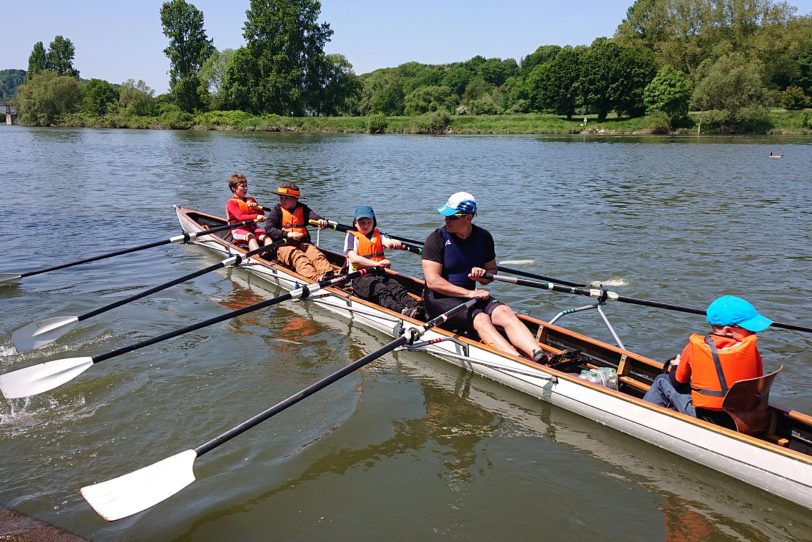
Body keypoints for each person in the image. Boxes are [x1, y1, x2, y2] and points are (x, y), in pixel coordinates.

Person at [421, 192, 545, 361]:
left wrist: (482, 275)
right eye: (445, 215)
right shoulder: (436, 239)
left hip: (471, 296)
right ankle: (518, 360)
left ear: (468, 217)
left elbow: (491, 272)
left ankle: (539, 355)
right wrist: (469, 293)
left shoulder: (484, 237)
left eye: (451, 216)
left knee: (504, 311)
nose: (446, 220)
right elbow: (433, 282)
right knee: (481, 319)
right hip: (439, 298)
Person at [643, 295, 772, 417]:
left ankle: (644, 416)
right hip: (743, 417)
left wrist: (676, 366)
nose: (753, 333)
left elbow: (678, 381)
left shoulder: (693, 347)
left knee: (662, 380)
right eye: (750, 329)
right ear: (727, 331)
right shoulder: (752, 351)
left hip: (707, 417)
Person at [344, 205, 424, 319]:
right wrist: (376, 264)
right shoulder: (352, 237)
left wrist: (394, 243)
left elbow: (388, 241)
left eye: (368, 222)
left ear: (374, 222)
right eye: (362, 222)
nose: (366, 225)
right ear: (355, 224)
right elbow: (354, 258)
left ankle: (417, 308)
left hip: (379, 273)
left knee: (397, 288)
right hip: (360, 277)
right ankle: (402, 311)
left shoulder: (379, 235)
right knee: (380, 290)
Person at [264, 182, 334, 281]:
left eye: (286, 198)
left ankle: (329, 274)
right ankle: (316, 278)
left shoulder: (303, 209)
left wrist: (320, 221)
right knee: (299, 258)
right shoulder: (276, 210)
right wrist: (288, 234)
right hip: (284, 246)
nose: (283, 200)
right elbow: (269, 229)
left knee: (316, 255)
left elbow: (314, 217)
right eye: (281, 198)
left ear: (296, 199)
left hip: (303, 243)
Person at [225, 174, 271, 252]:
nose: (245, 188)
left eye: (246, 186)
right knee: (251, 236)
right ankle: (257, 257)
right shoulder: (231, 203)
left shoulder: (251, 199)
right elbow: (240, 217)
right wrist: (256, 216)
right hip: (238, 230)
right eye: (242, 186)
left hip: (253, 228)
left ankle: (269, 252)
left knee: (266, 236)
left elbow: (262, 214)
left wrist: (255, 207)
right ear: (234, 188)